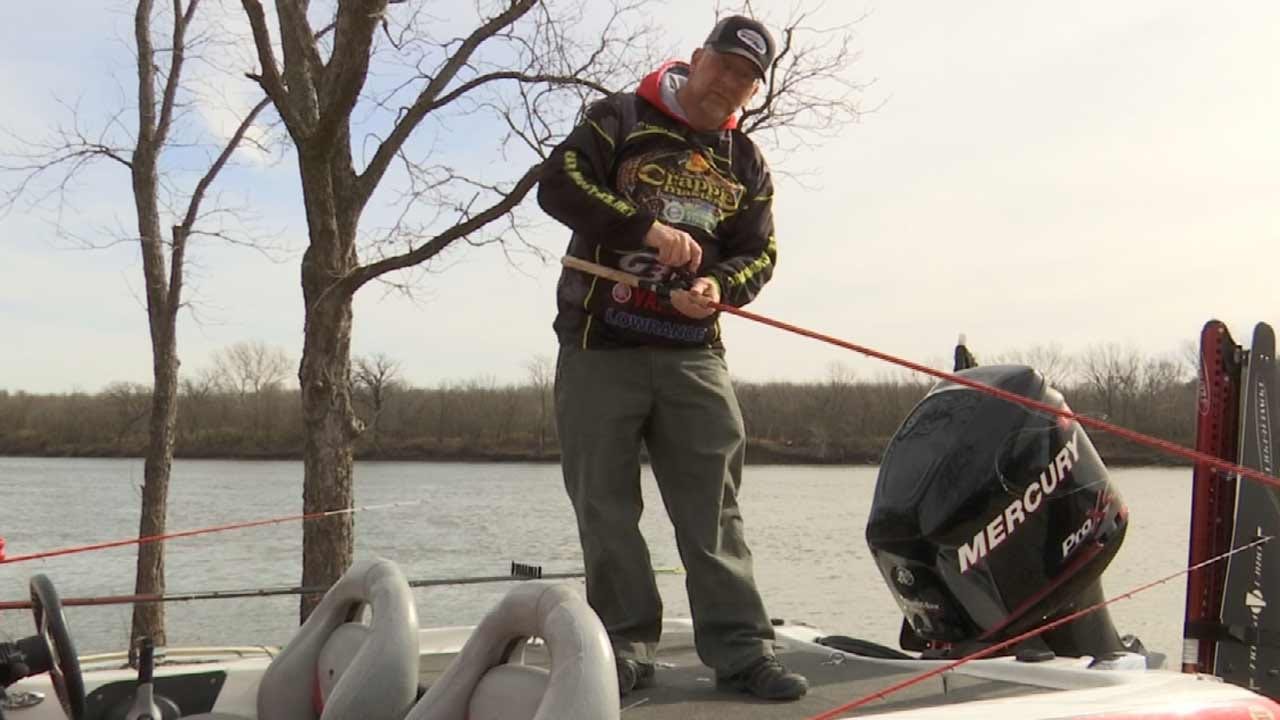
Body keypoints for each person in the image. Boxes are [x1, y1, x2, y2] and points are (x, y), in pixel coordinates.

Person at [536, 15, 808, 702]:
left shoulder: (746, 161)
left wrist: (718, 287)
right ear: (697, 58)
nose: (729, 82)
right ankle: (623, 650)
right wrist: (645, 229)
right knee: (605, 507)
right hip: (600, 346)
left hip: (694, 355)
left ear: (751, 91)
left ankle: (743, 653)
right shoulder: (620, 118)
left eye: (745, 78)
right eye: (724, 65)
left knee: (714, 510)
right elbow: (558, 183)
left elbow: (760, 253)